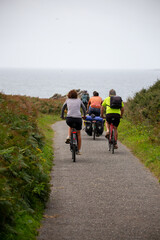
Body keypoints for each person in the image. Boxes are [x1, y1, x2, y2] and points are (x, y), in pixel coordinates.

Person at [61, 89, 86, 155]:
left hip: (69, 119)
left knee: (70, 126)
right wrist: (84, 115)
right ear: (76, 95)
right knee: (78, 134)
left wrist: (62, 115)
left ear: (69, 95)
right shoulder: (79, 100)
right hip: (78, 119)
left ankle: (69, 136)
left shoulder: (67, 100)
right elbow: (84, 108)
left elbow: (63, 108)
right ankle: (78, 150)